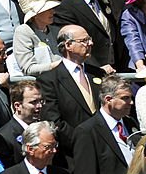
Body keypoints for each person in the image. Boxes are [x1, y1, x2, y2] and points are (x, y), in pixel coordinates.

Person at [38, 24, 107, 161]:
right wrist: (83, 141)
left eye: (90, 39)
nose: (90, 43)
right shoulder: (49, 80)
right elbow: (54, 121)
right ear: (68, 45)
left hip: (105, 150)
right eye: (84, 40)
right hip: (74, 154)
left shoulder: (98, 74)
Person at [0, 80, 44, 169]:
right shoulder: (3, 137)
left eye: (41, 101)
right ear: (17, 106)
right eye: (33, 102)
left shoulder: (45, 130)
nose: (39, 106)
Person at [13, 0, 63, 75]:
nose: (53, 12)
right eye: (48, 9)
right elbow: (28, 68)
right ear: (35, 15)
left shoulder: (55, 31)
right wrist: (58, 65)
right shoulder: (24, 32)